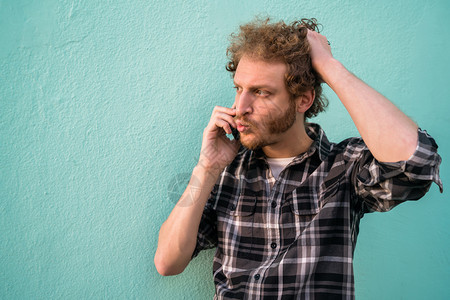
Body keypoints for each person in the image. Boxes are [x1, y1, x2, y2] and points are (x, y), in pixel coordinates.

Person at [154, 18, 443, 299]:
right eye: (239, 89)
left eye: (261, 92)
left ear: (303, 99)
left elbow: (416, 163)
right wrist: (207, 167)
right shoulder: (226, 170)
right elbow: (168, 262)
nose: (240, 107)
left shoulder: (344, 166)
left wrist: (330, 67)